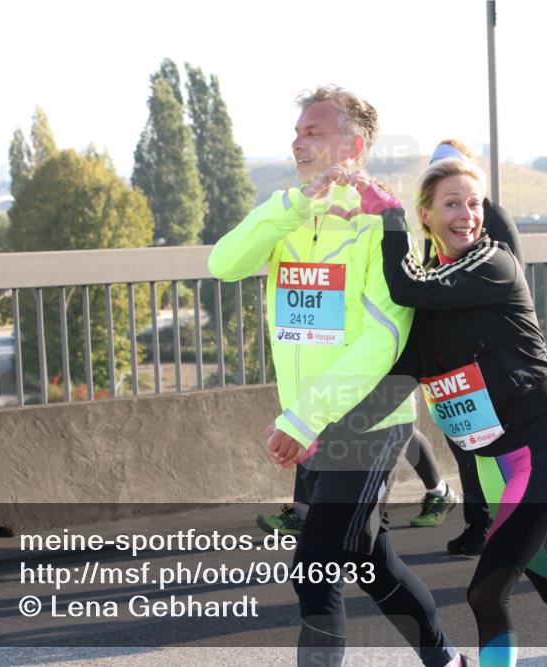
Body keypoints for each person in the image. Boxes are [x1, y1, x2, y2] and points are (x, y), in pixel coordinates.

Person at [290, 142, 547, 667]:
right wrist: (320, 429)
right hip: (497, 466)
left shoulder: (493, 263)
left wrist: (388, 216)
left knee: (486, 592)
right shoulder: (433, 288)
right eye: (452, 203)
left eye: (474, 203)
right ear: (427, 215)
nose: (467, 215)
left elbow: (404, 287)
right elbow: (399, 379)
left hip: (546, 451)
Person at [208, 87, 465, 667]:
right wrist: (292, 207)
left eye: (313, 132)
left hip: (368, 419)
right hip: (315, 424)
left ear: (354, 145)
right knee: (372, 563)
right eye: (298, 132)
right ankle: (448, 662)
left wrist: (302, 418)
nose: (297, 142)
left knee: (314, 567)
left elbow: (383, 341)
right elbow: (223, 263)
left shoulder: (384, 226)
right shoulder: (288, 215)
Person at [256, 428, 462, 536]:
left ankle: (440, 493)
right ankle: (303, 511)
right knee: (310, 424)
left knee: (400, 425)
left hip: (384, 369)